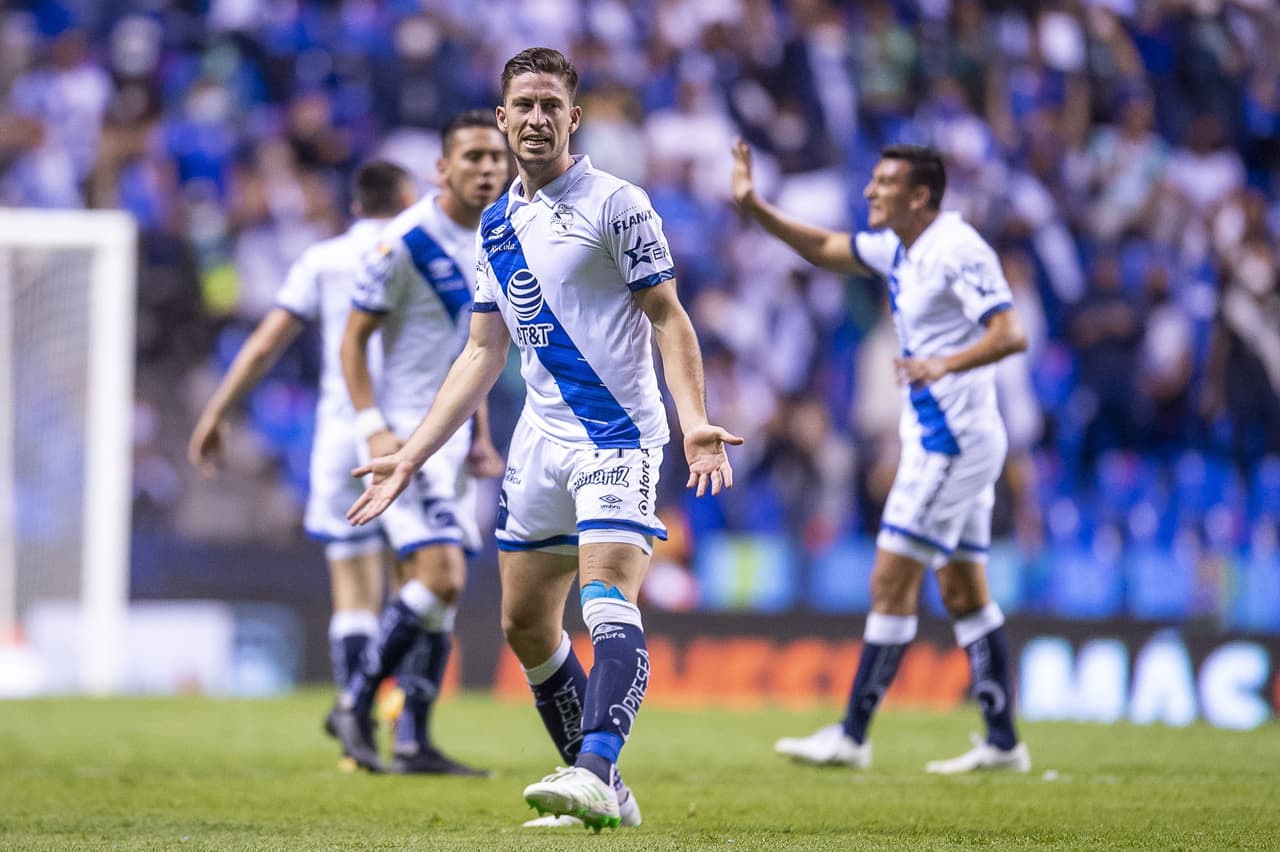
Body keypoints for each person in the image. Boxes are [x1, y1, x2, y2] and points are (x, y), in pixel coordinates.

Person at [346, 47, 742, 830]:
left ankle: (593, 768)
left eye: (549, 106)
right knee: (524, 626)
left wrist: (695, 421)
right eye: (522, 105)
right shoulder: (497, 223)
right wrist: (412, 454)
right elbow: (481, 353)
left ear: (573, 118)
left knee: (605, 597)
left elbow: (669, 317)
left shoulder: (618, 204)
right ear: (503, 118)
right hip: (538, 442)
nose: (535, 118)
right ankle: (605, 791)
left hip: (617, 437)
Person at [730, 139, 1032, 773]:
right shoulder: (900, 247)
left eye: (885, 183)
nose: (870, 191)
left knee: (890, 580)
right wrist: (756, 206)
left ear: (920, 196)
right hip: (943, 440)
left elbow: (1010, 332)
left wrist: (944, 364)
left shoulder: (957, 248)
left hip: (952, 445)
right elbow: (825, 247)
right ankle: (1004, 741)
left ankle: (853, 734)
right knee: (963, 590)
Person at [187, 161, 415, 739]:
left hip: (340, 431)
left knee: (353, 586)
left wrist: (217, 411)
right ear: (408, 198)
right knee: (415, 580)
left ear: (355, 205)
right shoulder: (420, 250)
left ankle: (356, 722)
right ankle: (407, 720)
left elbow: (265, 344)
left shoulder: (323, 258)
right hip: (407, 434)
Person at [327, 110, 508, 776]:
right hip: (404, 437)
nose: (487, 168)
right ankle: (354, 702)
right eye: (473, 157)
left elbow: (475, 352)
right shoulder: (404, 242)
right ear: (442, 169)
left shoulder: (499, 237)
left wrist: (481, 435)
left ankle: (413, 741)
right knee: (442, 575)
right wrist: (372, 423)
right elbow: (352, 341)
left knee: (439, 592)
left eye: (496, 157)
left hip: (453, 441)